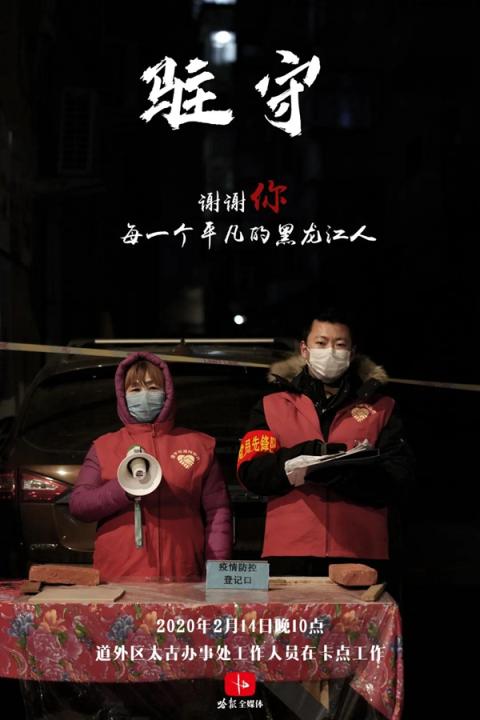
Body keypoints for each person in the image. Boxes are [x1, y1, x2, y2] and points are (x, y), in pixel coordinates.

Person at [237, 309, 414, 589]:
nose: (330, 351)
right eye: (321, 343)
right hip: (289, 550)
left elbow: (399, 477)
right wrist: (303, 457)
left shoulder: (381, 408)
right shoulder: (271, 406)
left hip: (361, 552)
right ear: (304, 349)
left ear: (352, 353)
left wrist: (345, 473)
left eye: (339, 344)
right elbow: (252, 472)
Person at [69, 351, 232, 581]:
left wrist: (217, 571)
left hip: (182, 575)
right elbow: (79, 506)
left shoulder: (199, 445)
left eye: (153, 388)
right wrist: (123, 488)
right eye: (135, 389)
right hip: (117, 577)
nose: (144, 396)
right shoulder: (104, 446)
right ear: (122, 395)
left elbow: (218, 512)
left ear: (167, 393)